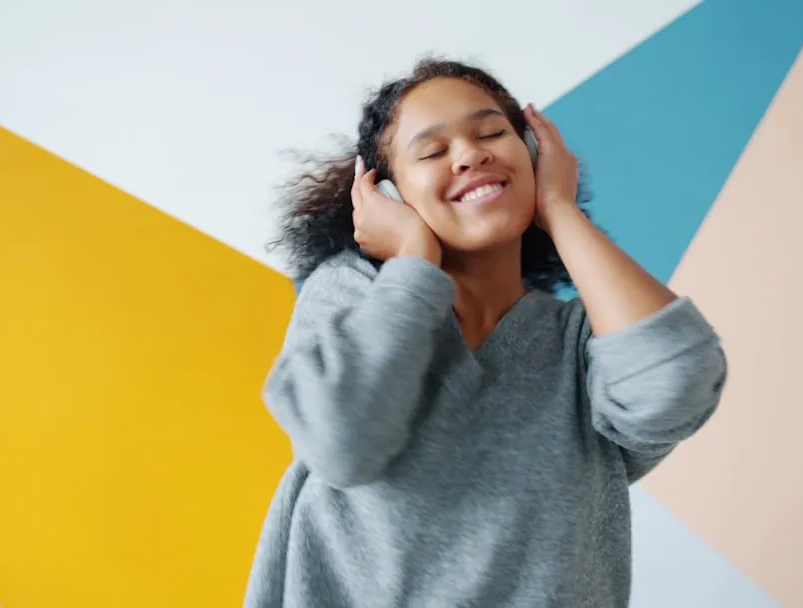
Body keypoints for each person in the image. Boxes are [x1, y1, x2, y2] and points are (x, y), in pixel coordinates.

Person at [246, 57, 728, 607]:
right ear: (386, 196)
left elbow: (676, 385)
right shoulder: (355, 295)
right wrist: (413, 262)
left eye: (493, 133)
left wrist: (560, 208)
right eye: (432, 151)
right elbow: (341, 442)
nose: (472, 154)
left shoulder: (580, 346)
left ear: (534, 153)